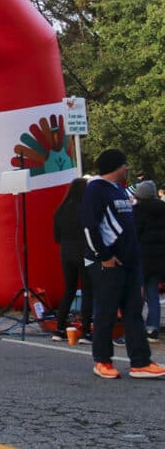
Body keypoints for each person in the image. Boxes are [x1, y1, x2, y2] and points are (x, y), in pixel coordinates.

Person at [82, 149, 165, 379]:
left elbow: (129, 229)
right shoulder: (96, 190)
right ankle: (102, 361)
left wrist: (137, 261)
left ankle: (140, 362)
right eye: (124, 164)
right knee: (107, 313)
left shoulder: (119, 190)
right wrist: (104, 256)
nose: (127, 168)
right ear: (115, 166)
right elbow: (90, 227)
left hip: (130, 262)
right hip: (107, 263)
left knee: (134, 312)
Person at [51, 178, 93, 343]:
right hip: (84, 251)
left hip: (66, 252)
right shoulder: (86, 208)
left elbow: (56, 236)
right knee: (88, 290)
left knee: (69, 290)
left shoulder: (60, 210)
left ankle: (59, 328)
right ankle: (86, 331)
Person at [134, 180, 165, 342]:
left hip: (141, 257)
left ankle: (135, 326)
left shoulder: (137, 212)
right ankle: (153, 328)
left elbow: (133, 234)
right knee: (152, 293)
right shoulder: (162, 209)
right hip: (159, 258)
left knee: (136, 293)